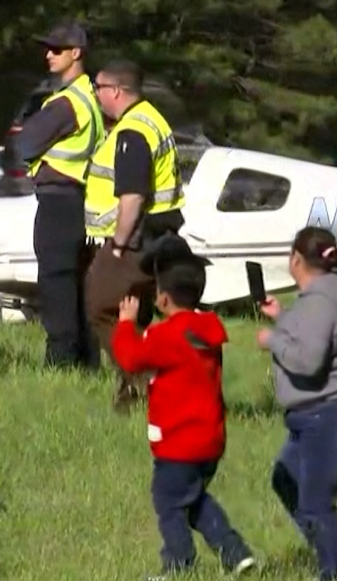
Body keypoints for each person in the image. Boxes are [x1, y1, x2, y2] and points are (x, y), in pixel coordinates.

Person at [110, 233, 257, 577]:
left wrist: (125, 325)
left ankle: (178, 565)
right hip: (211, 440)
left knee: (169, 503)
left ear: (162, 298)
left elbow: (131, 359)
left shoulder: (166, 336)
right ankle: (235, 553)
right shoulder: (208, 327)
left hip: (178, 442)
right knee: (192, 500)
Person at [255, 226, 337, 580]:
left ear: (296, 259)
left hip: (326, 412)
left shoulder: (320, 302)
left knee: (316, 502)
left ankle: (335, 571)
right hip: (314, 413)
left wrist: (272, 340)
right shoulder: (325, 297)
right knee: (285, 479)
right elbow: (315, 333)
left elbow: (309, 360)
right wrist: (283, 316)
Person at [85, 58, 186, 411]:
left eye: (98, 88)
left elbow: (132, 197)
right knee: (136, 311)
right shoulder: (152, 118)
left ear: (115, 90)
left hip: (136, 238)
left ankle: (142, 379)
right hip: (161, 232)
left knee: (100, 306)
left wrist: (117, 245)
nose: (95, 96)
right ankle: (131, 395)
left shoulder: (132, 132)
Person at [2, 22, 103, 369]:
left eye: (56, 49)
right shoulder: (90, 98)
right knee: (77, 284)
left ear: (77, 53)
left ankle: (59, 361)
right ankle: (86, 362)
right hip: (80, 201)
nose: (48, 54)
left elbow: (25, 143)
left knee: (56, 282)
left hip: (59, 202)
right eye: (47, 48)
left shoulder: (66, 103)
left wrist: (31, 127)